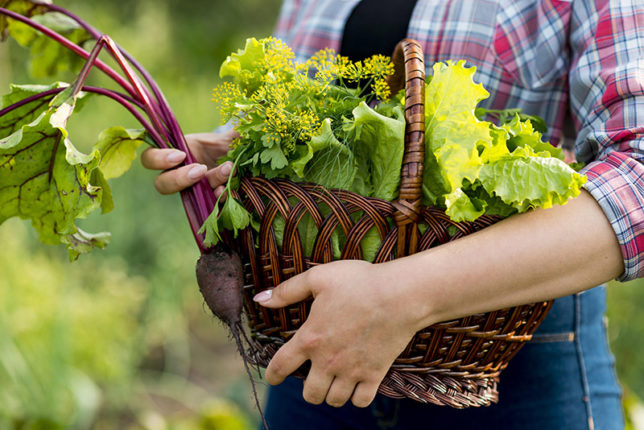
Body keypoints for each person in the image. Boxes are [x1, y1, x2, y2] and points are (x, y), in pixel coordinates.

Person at [141, 0, 643, 428]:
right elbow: (313, 119)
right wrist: (233, 152)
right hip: (313, 347)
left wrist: (401, 294)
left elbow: (638, 175)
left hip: (506, 358)